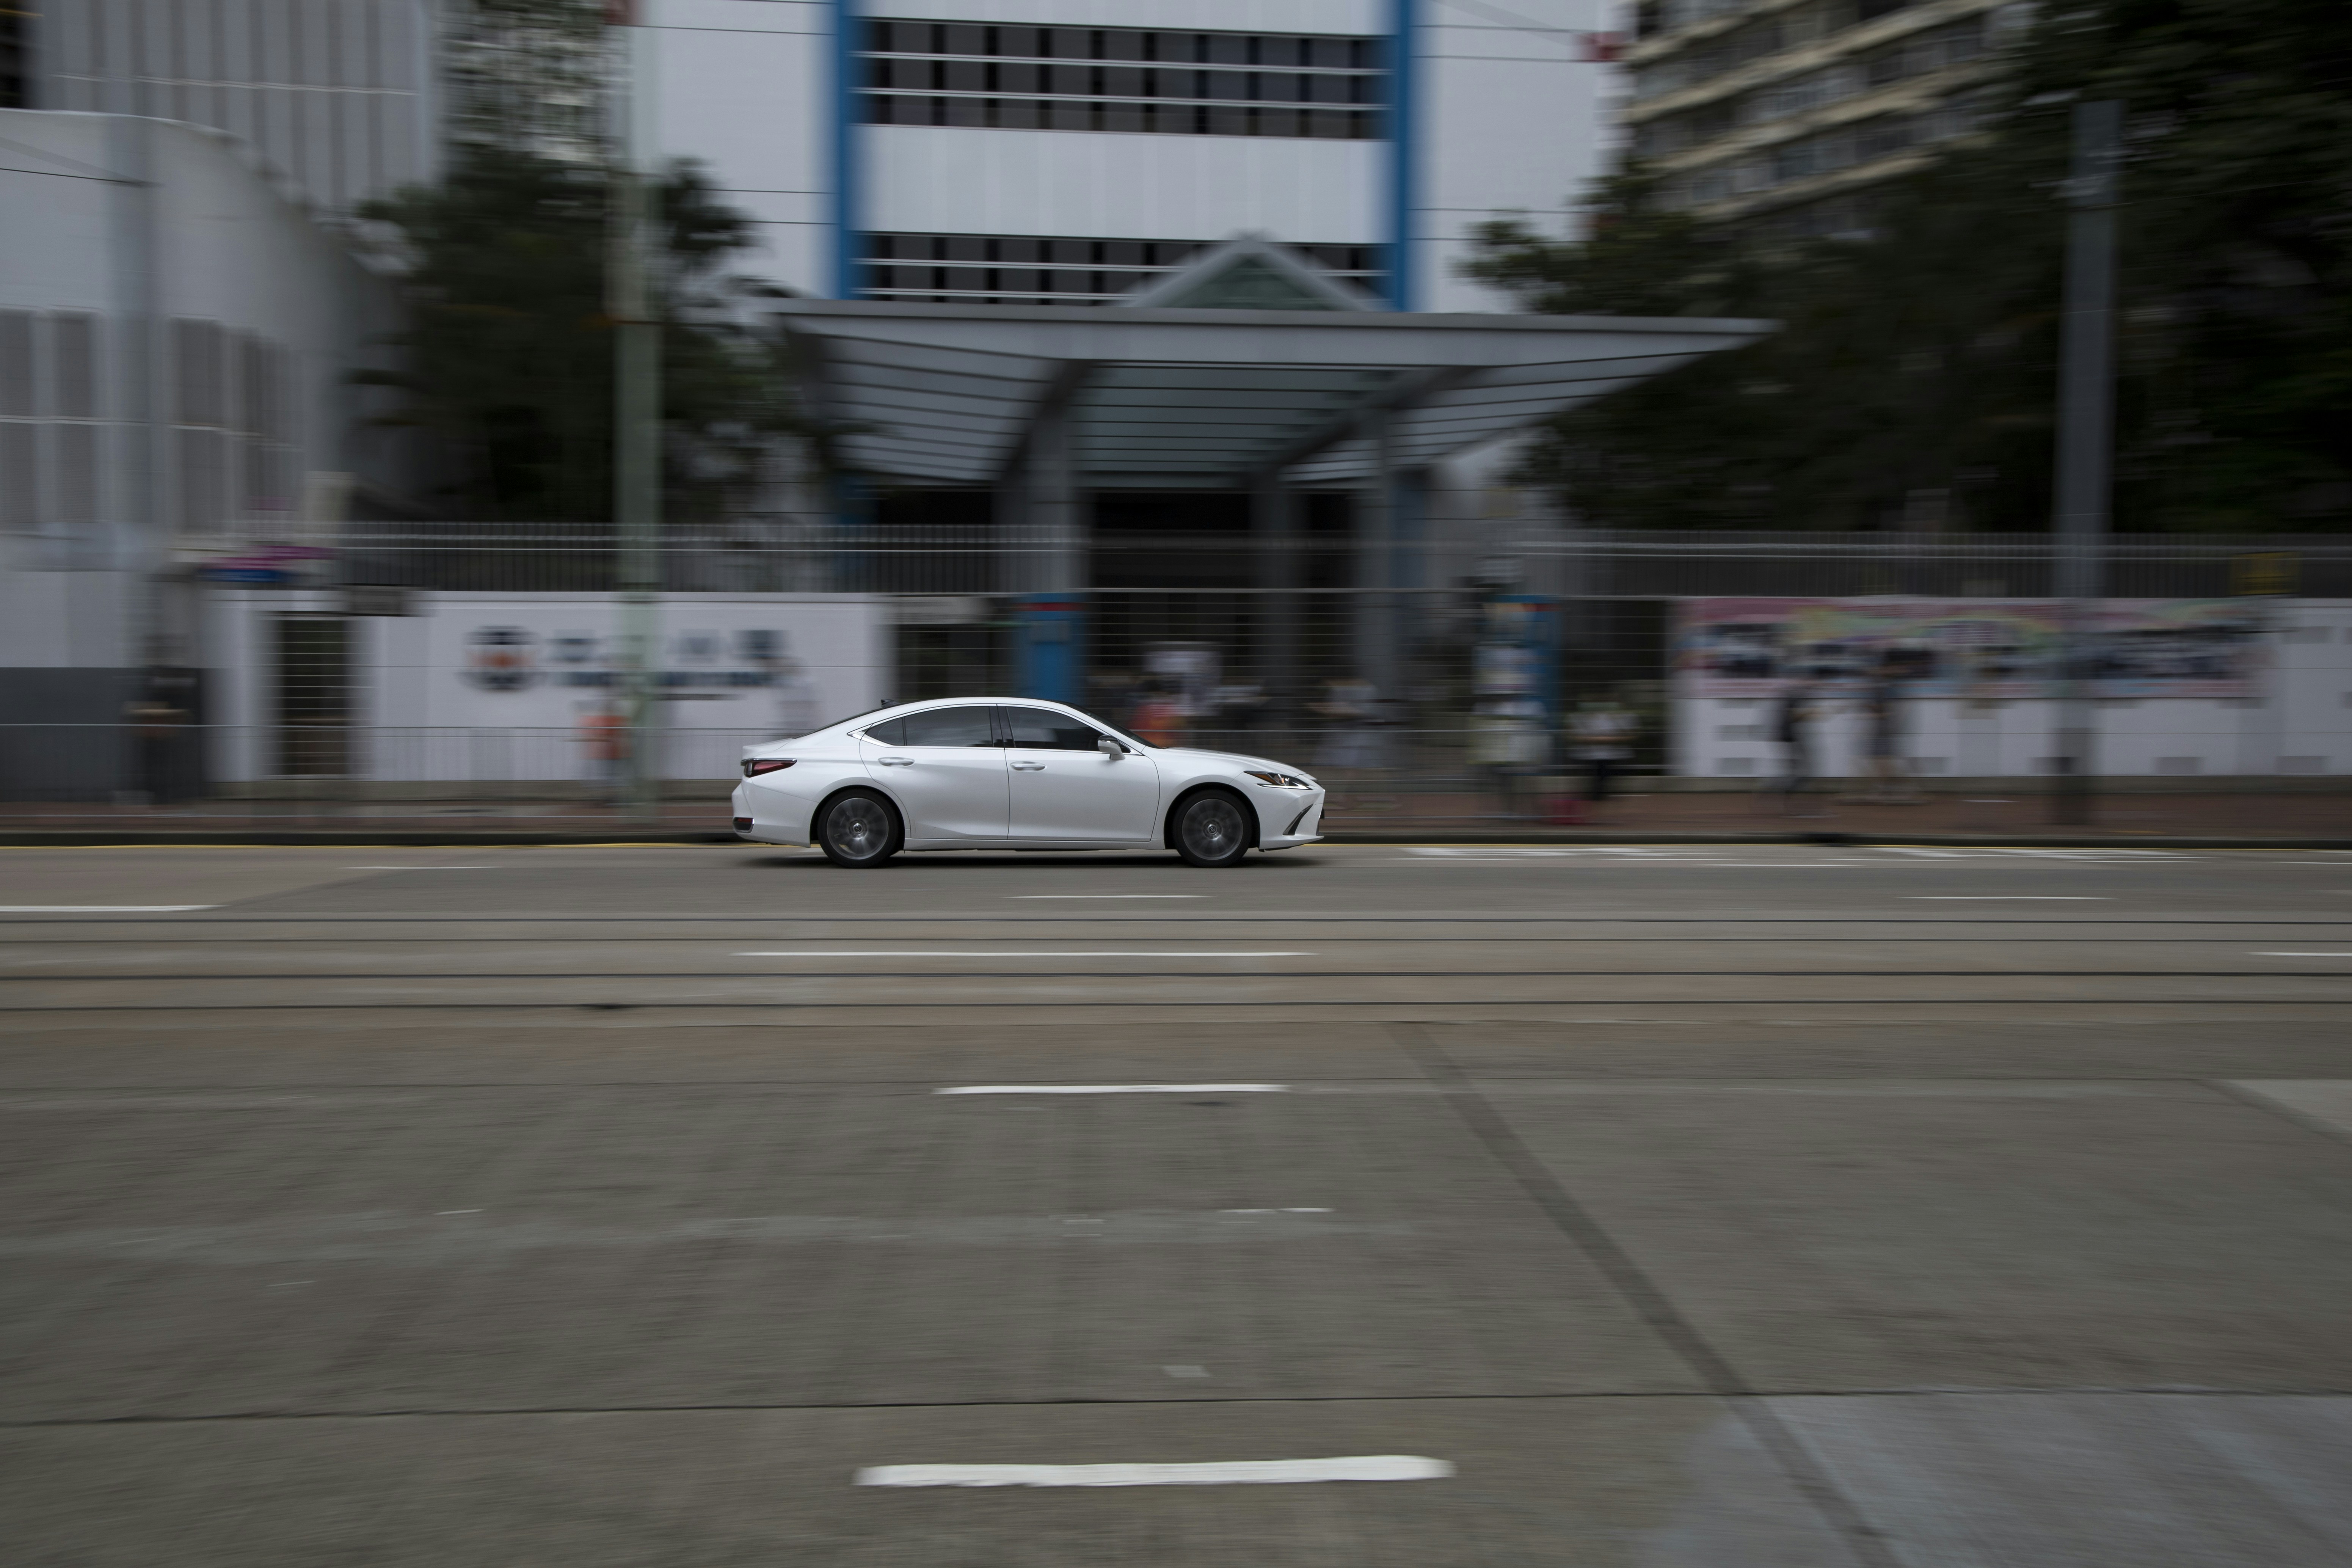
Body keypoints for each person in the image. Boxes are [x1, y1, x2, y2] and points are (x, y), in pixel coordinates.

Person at [1570, 695, 1637, 804]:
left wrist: (1607, 738)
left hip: (1608, 754)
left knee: (1602, 777)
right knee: (1596, 777)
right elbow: (1575, 735)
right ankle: (1596, 797)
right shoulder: (1581, 717)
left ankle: (1597, 797)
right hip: (1591, 754)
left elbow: (1630, 735)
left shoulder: (1622, 716)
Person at [1769, 676, 1819, 813]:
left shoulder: (1790, 697)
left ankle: (1778, 794)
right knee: (1802, 772)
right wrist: (1811, 713)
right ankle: (1780, 794)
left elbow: (1795, 717)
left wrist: (1812, 714)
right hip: (1790, 740)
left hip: (1789, 740)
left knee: (1797, 772)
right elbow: (1794, 716)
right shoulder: (1792, 698)